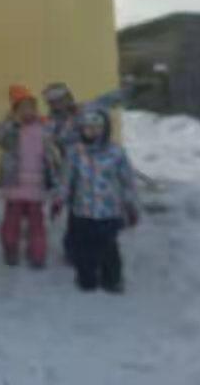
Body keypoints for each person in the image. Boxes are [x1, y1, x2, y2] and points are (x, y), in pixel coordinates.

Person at [42, 80, 140, 264]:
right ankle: (74, 250)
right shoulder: (52, 122)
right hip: (75, 169)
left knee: (103, 210)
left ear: (68, 97)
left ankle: (104, 250)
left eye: (61, 99)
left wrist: (129, 91)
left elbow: (107, 100)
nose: (58, 104)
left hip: (100, 167)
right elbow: (54, 139)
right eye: (53, 102)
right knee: (76, 214)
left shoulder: (87, 109)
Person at [52, 109, 139, 293]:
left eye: (97, 127)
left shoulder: (116, 152)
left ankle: (112, 279)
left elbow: (127, 181)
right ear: (81, 129)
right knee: (84, 247)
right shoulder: (75, 153)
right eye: (88, 128)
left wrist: (130, 205)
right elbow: (66, 179)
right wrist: (59, 200)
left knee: (108, 246)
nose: (92, 131)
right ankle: (86, 278)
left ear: (105, 129)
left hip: (109, 211)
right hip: (82, 211)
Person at [0, 85, 59, 268]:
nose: (27, 111)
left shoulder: (43, 126)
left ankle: (37, 254)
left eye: (31, 107)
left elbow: (52, 149)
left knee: (37, 222)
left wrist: (53, 178)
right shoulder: (10, 128)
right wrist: (10, 121)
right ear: (15, 110)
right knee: (11, 221)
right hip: (14, 185)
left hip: (36, 185)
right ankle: (10, 249)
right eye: (22, 108)